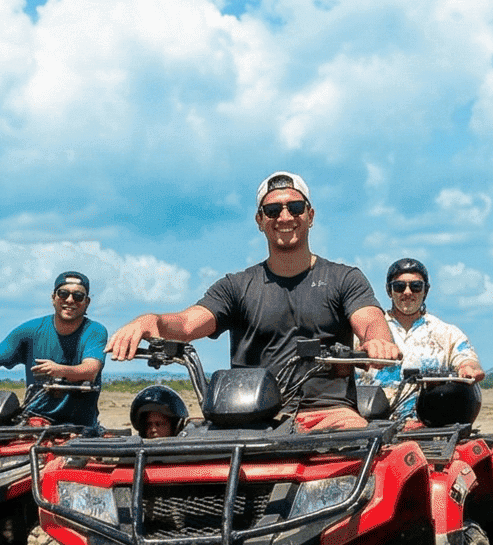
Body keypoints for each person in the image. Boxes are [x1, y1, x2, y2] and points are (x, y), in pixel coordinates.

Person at [106, 170, 401, 429]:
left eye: (295, 207)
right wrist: (150, 321)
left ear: (310, 216)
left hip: (327, 414)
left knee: (357, 447)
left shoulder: (344, 278)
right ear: (260, 220)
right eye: (273, 211)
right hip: (248, 418)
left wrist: (377, 342)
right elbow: (186, 324)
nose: (285, 217)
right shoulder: (236, 286)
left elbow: (370, 320)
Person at [0, 271, 108, 428]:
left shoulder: (94, 331)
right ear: (53, 298)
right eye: (63, 294)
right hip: (35, 421)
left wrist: (59, 370)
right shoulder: (29, 330)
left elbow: (90, 370)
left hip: (80, 426)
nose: (70, 300)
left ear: (87, 302)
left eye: (78, 296)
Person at [374, 257, 483, 386]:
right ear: (389, 290)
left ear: (425, 290)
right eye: (399, 286)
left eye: (416, 286)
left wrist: (467, 367)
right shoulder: (369, 329)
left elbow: (466, 358)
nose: (407, 292)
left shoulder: (447, 333)